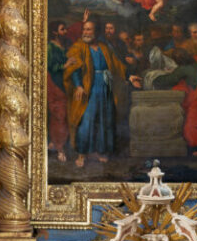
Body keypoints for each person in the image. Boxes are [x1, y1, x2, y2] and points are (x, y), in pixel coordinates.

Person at [63, 18, 133, 168]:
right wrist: (79, 86)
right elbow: (74, 68)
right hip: (89, 87)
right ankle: (82, 154)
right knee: (86, 120)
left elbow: (116, 65)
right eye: (84, 29)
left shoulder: (104, 47)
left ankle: (101, 151)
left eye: (89, 29)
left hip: (106, 85)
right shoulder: (78, 47)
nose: (85, 32)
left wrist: (129, 76)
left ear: (96, 32)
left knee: (105, 119)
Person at [47, 21, 71, 162]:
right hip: (54, 84)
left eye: (65, 29)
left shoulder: (63, 45)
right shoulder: (50, 47)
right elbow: (50, 67)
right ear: (55, 32)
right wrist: (65, 65)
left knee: (62, 115)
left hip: (63, 83)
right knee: (59, 115)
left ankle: (55, 142)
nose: (65, 31)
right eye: (62, 29)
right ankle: (60, 148)